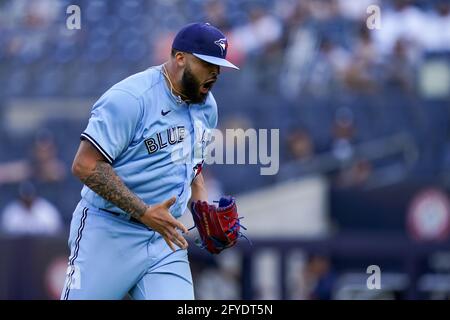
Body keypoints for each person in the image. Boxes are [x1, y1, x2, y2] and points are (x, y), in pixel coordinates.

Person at [60, 22, 239, 300]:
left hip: (164, 239)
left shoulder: (207, 106)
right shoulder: (131, 98)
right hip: (109, 232)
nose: (215, 73)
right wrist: (143, 211)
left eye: (219, 67)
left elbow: (193, 165)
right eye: (207, 64)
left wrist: (202, 206)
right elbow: (85, 165)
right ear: (180, 58)